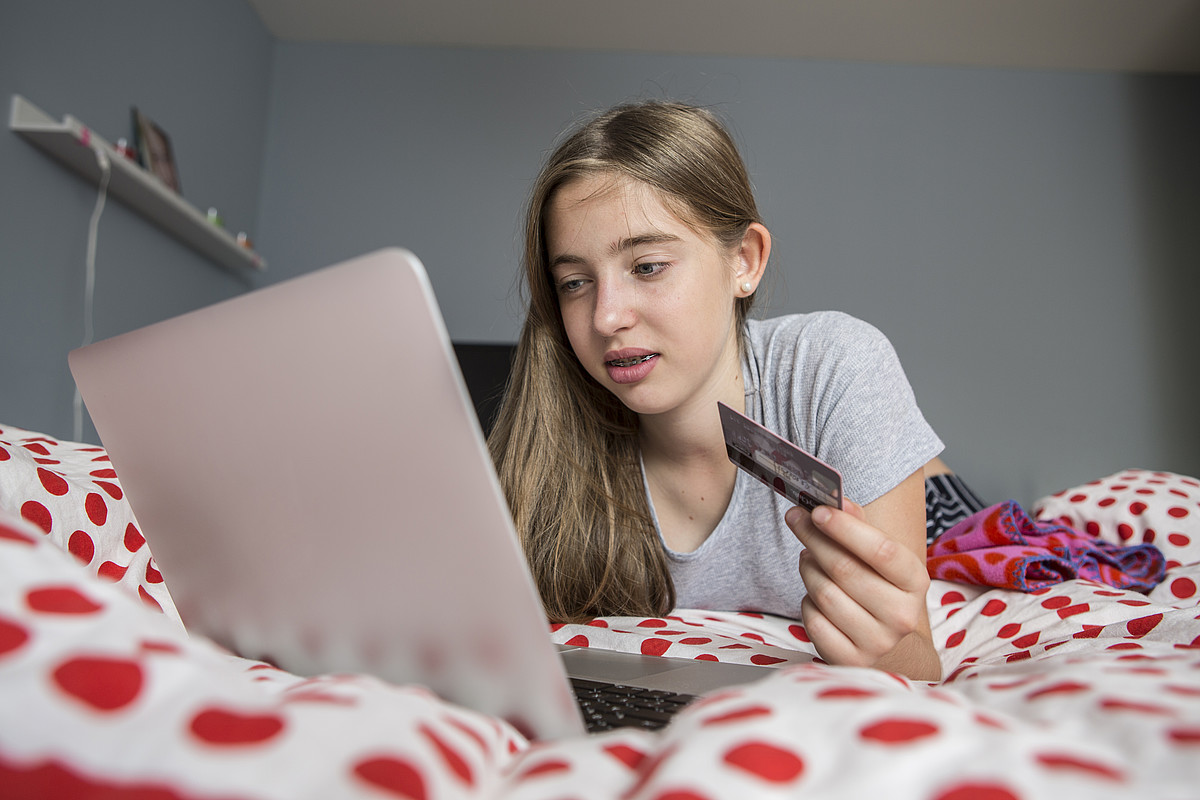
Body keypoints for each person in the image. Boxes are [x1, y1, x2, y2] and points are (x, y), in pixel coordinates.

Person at [487, 100, 945, 681]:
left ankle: (938, 474)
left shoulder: (836, 363)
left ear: (744, 261)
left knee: (964, 514)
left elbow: (918, 670)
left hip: (930, 494)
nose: (605, 318)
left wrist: (891, 651)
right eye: (575, 282)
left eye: (647, 266)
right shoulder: (546, 424)